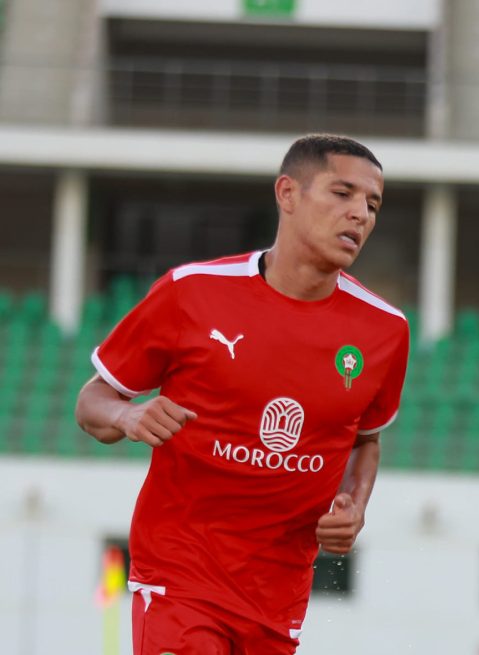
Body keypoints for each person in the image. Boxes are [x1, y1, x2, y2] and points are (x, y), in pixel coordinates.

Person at [75, 134, 410, 654]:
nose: (359, 214)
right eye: (342, 193)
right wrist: (127, 416)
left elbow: (366, 439)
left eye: (372, 204)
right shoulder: (191, 291)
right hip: (179, 573)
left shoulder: (386, 331)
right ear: (287, 193)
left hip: (277, 594)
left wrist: (355, 506)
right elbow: (91, 402)